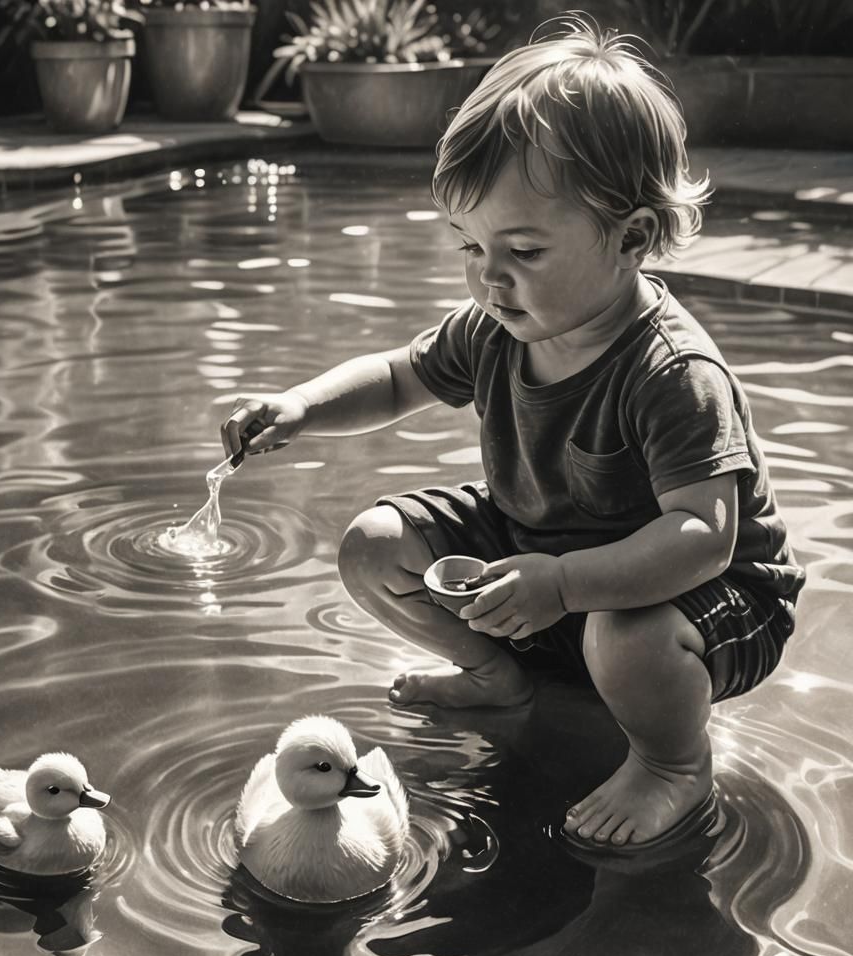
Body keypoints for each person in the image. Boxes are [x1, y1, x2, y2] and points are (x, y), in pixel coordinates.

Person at [220, 16, 804, 849]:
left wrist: (565, 584)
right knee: (373, 545)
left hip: (707, 598)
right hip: (547, 558)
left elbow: (705, 539)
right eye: (470, 245)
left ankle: (672, 761)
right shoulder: (496, 326)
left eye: (523, 249)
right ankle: (496, 678)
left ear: (632, 238)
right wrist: (303, 407)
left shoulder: (672, 374)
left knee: (626, 632)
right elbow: (397, 377)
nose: (489, 275)